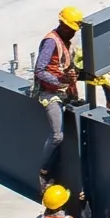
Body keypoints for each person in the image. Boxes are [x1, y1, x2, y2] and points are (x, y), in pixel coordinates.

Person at [32, 8, 84, 137]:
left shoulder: (65, 41)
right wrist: (59, 81)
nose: (72, 33)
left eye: (74, 31)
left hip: (63, 91)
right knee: (57, 136)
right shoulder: (51, 42)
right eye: (70, 29)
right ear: (62, 24)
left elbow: (64, 65)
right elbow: (39, 70)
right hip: (49, 93)